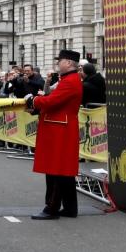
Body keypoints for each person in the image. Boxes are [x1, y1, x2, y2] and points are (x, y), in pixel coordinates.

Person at [24, 49, 83, 220]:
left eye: (61, 60)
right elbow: (54, 101)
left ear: (69, 63)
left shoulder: (70, 81)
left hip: (60, 129)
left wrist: (33, 101)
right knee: (64, 172)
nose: (58, 63)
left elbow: (52, 101)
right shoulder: (68, 79)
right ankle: (70, 208)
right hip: (60, 127)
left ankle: (52, 208)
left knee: (55, 170)